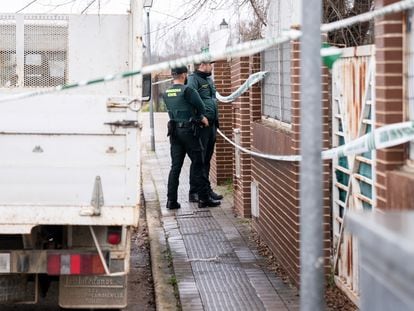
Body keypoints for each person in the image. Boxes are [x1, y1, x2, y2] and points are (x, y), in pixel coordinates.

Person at [163, 66, 221, 209]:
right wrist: (200, 117)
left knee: (175, 167)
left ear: (173, 75)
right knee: (198, 163)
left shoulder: (166, 92)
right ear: (184, 75)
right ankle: (203, 199)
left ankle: (171, 201)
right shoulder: (188, 90)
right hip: (190, 131)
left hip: (174, 132)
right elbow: (201, 107)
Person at [186, 61, 223, 203]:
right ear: (202, 65)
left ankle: (206, 190)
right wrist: (200, 117)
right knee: (198, 160)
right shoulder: (193, 79)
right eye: (210, 64)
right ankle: (194, 192)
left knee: (207, 159)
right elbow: (188, 100)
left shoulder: (208, 79)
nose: (212, 66)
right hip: (202, 126)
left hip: (212, 125)